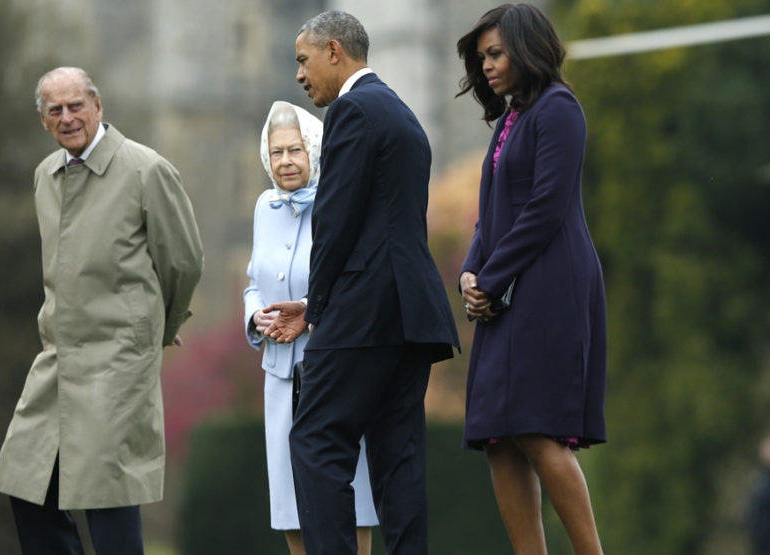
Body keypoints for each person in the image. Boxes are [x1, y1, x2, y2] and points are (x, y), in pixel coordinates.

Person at [263, 10, 460, 554]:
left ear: (333, 51)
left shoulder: (352, 111)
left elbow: (336, 220)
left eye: (303, 61)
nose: (300, 76)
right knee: (398, 462)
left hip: (360, 314)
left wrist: (318, 306)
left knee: (314, 441)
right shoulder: (401, 113)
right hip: (411, 315)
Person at [0, 66, 204, 554]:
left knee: (109, 501)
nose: (67, 118)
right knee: (26, 486)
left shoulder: (146, 170)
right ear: (44, 121)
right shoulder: (44, 177)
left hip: (118, 366)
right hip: (56, 363)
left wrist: (158, 329)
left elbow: (184, 263)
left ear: (97, 105)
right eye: (55, 111)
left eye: (75, 106)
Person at [455, 4, 606, 554]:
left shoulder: (559, 108)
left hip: (549, 286)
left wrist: (490, 281)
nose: (487, 66)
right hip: (504, 289)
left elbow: (545, 207)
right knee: (500, 436)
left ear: (528, 48)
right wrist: (472, 274)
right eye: (482, 58)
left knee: (539, 430)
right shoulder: (509, 119)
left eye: (495, 54)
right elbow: (489, 212)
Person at [243, 100, 378, 555]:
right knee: (288, 498)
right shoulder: (264, 206)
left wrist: (307, 308)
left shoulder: (338, 202)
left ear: (316, 151)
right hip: (280, 374)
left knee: (349, 490)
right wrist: (255, 315)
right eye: (277, 152)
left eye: (296, 150)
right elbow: (253, 281)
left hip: (333, 368)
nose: (285, 161)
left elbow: (354, 281)